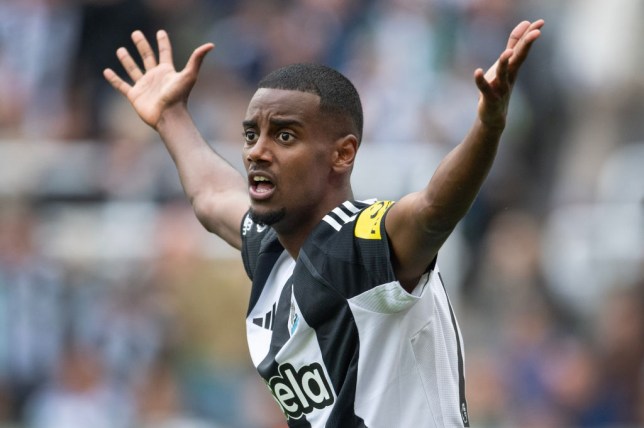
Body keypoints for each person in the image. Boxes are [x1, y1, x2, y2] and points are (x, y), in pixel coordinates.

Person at [103, 19, 544, 427]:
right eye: (251, 134)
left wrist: (487, 126)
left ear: (343, 153)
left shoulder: (360, 243)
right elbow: (212, 196)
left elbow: (432, 211)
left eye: (285, 135)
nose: (257, 150)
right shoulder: (274, 248)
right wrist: (170, 114)